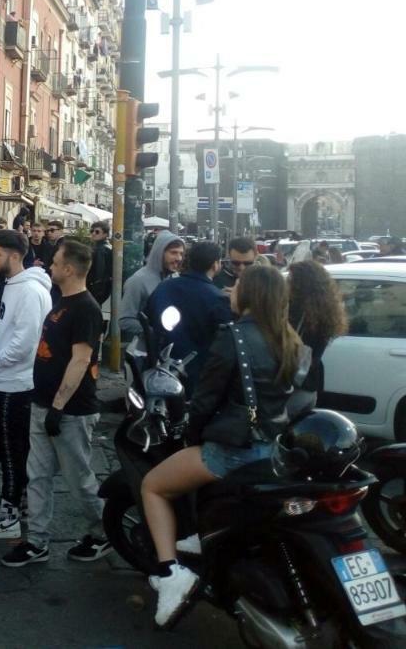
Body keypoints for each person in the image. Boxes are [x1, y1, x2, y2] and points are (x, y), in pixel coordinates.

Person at [141, 264, 307, 626]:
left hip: (232, 451)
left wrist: (189, 432)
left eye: (236, 287)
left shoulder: (232, 336)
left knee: (152, 486)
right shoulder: (290, 339)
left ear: (250, 294)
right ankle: (202, 537)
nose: (229, 291)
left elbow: (204, 400)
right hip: (271, 451)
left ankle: (171, 576)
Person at [3, 240, 111, 568]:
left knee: (79, 478)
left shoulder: (86, 309)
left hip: (71, 411)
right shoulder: (61, 301)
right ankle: (36, 541)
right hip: (44, 403)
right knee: (37, 475)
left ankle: (105, 530)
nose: (50, 265)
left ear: (69, 269)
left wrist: (59, 407)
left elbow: (81, 361)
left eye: (56, 261)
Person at [0, 229, 52, 540]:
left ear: (15, 256)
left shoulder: (29, 290)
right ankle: (19, 507)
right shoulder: (16, 285)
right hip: (7, 381)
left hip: (14, 385)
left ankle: (10, 516)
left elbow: (25, 341)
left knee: (11, 453)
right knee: (10, 452)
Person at [147, 241, 234, 388]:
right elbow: (224, 343)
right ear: (215, 264)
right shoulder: (218, 298)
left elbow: (147, 319)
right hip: (199, 374)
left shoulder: (164, 287)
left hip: (161, 369)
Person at [286, 260, 347, 413]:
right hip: (310, 385)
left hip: (293, 388)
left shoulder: (297, 312)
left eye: (289, 280)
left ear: (300, 285)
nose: (286, 284)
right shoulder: (325, 311)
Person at [119, 231, 185, 344]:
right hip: (145, 353)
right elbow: (125, 320)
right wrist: (153, 332)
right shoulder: (138, 281)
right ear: (159, 253)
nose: (178, 258)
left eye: (181, 254)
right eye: (173, 253)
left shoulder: (174, 276)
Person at [87, 222, 113, 305]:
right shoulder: (106, 247)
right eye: (92, 231)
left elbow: (99, 272)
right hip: (102, 287)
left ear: (105, 234)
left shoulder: (100, 249)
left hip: (97, 288)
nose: (93, 233)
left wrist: (95, 287)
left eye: (97, 232)